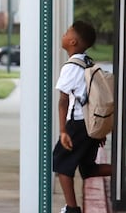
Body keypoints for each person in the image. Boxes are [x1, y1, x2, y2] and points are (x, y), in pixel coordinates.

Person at [52, 20, 109, 213]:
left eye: (67, 33)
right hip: (90, 122)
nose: (63, 35)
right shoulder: (89, 62)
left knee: (60, 162)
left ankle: (72, 208)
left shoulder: (70, 67)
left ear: (73, 42)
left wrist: (63, 131)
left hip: (77, 123)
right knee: (88, 169)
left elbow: (63, 100)